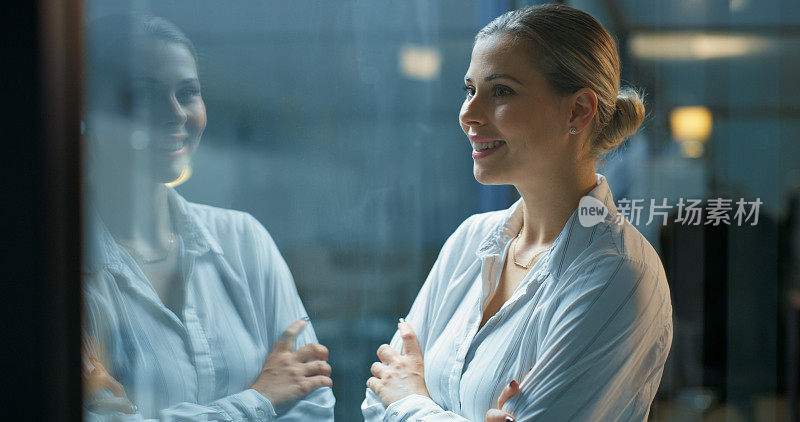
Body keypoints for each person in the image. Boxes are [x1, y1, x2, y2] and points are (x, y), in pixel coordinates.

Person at [362, 5, 673, 421]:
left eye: (501, 91)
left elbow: (392, 398)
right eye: (469, 89)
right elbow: (374, 400)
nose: (468, 114)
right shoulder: (471, 240)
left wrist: (409, 401)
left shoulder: (616, 275)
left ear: (578, 110)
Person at [82, 14, 334, 420]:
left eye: (188, 93)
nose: (176, 113)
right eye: (144, 95)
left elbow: (312, 405)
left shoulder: (244, 239)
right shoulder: (65, 269)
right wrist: (261, 400)